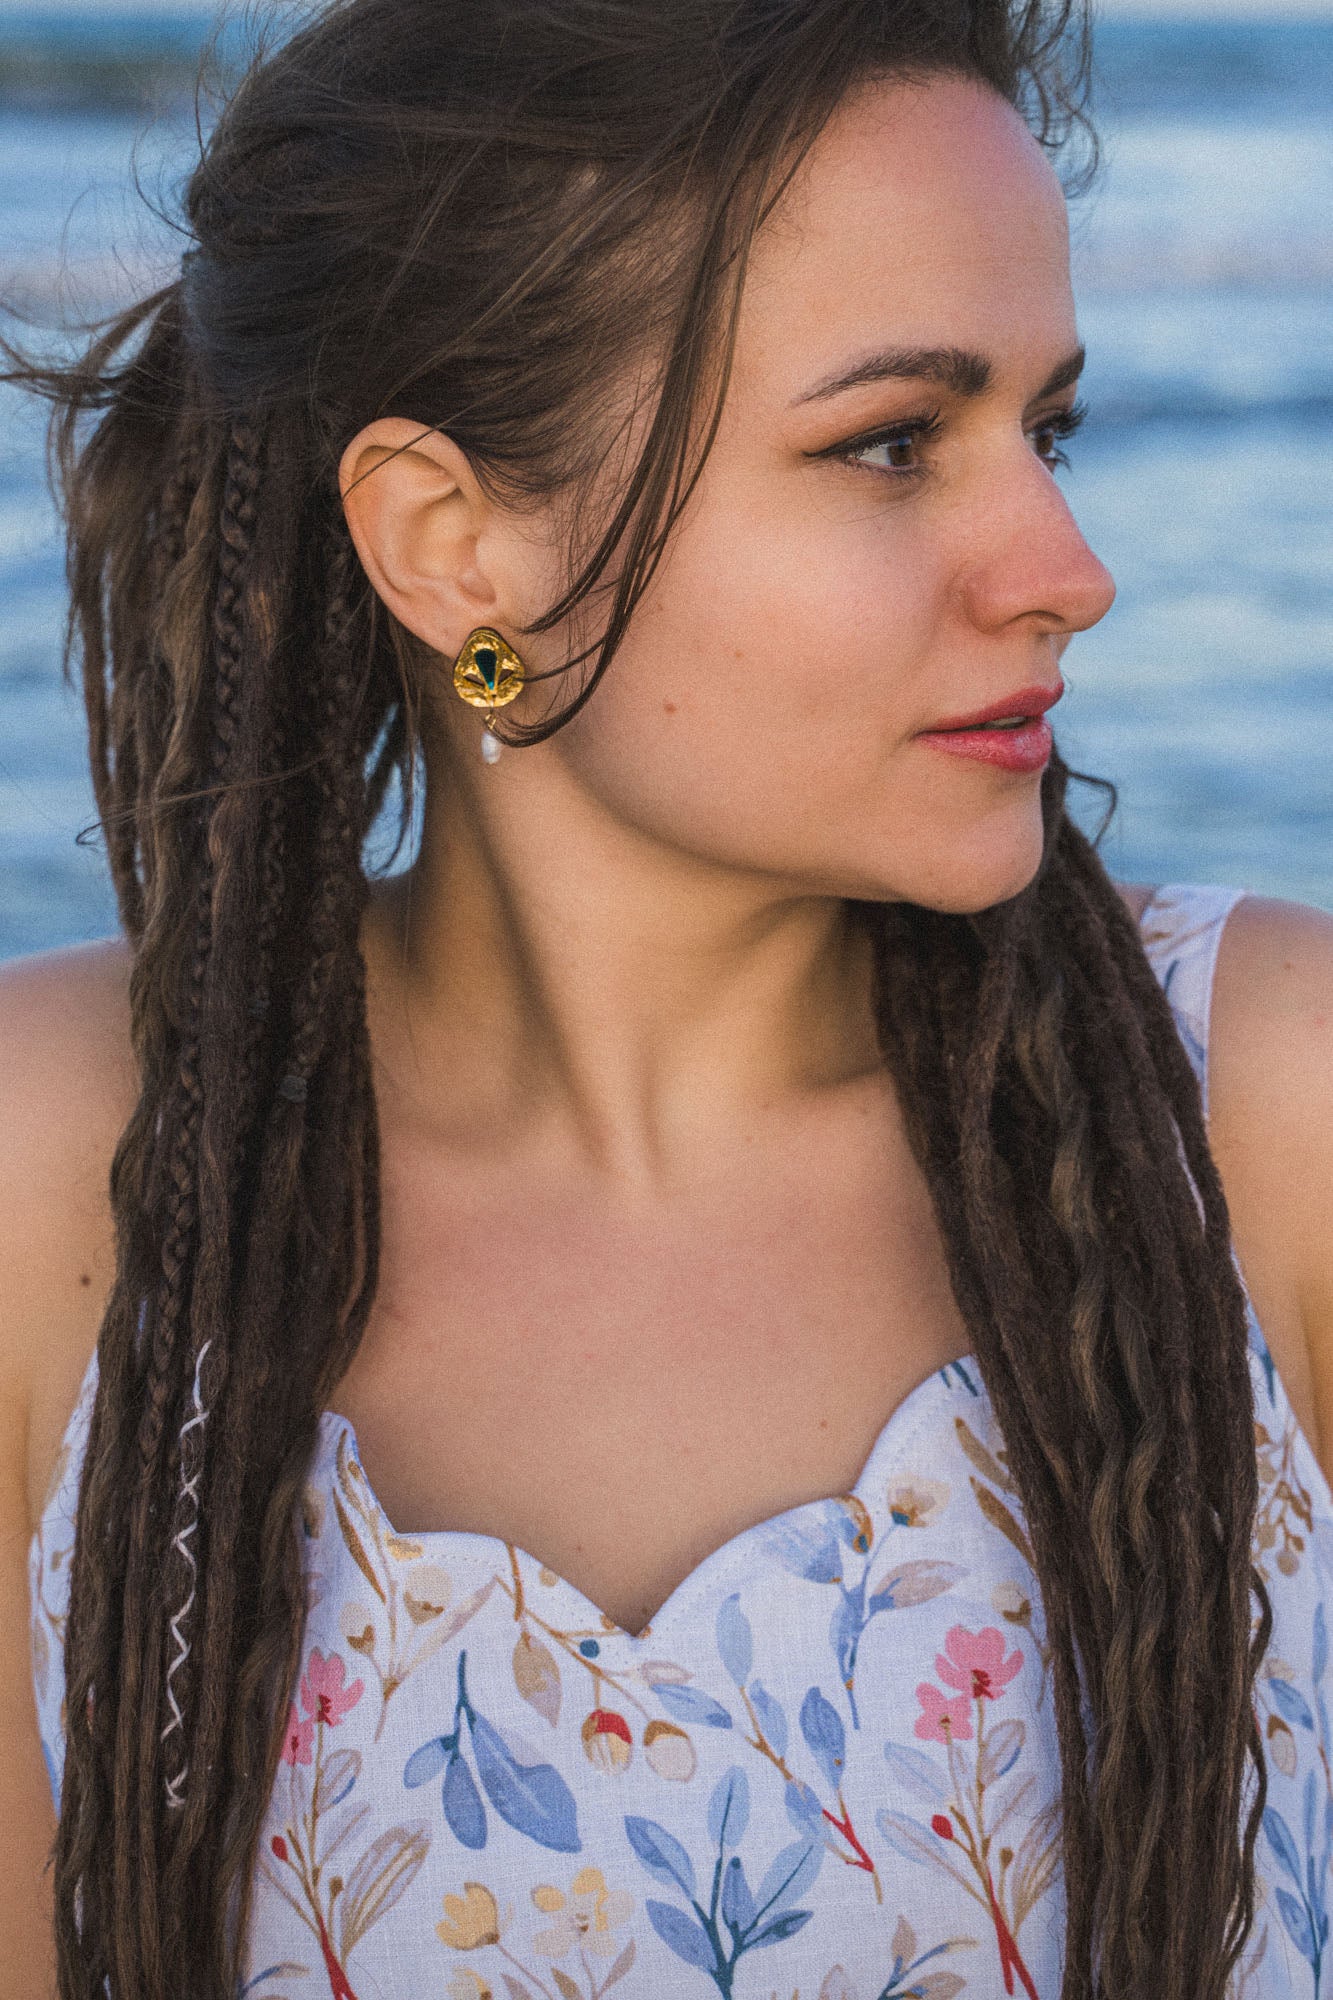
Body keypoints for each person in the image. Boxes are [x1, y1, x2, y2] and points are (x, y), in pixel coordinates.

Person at [2, 0, 1331, 1993]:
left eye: (1041, 428)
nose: (1063, 564)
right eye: (891, 440)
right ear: (452, 545)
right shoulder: (57, 1180)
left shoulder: (1261, 1109)